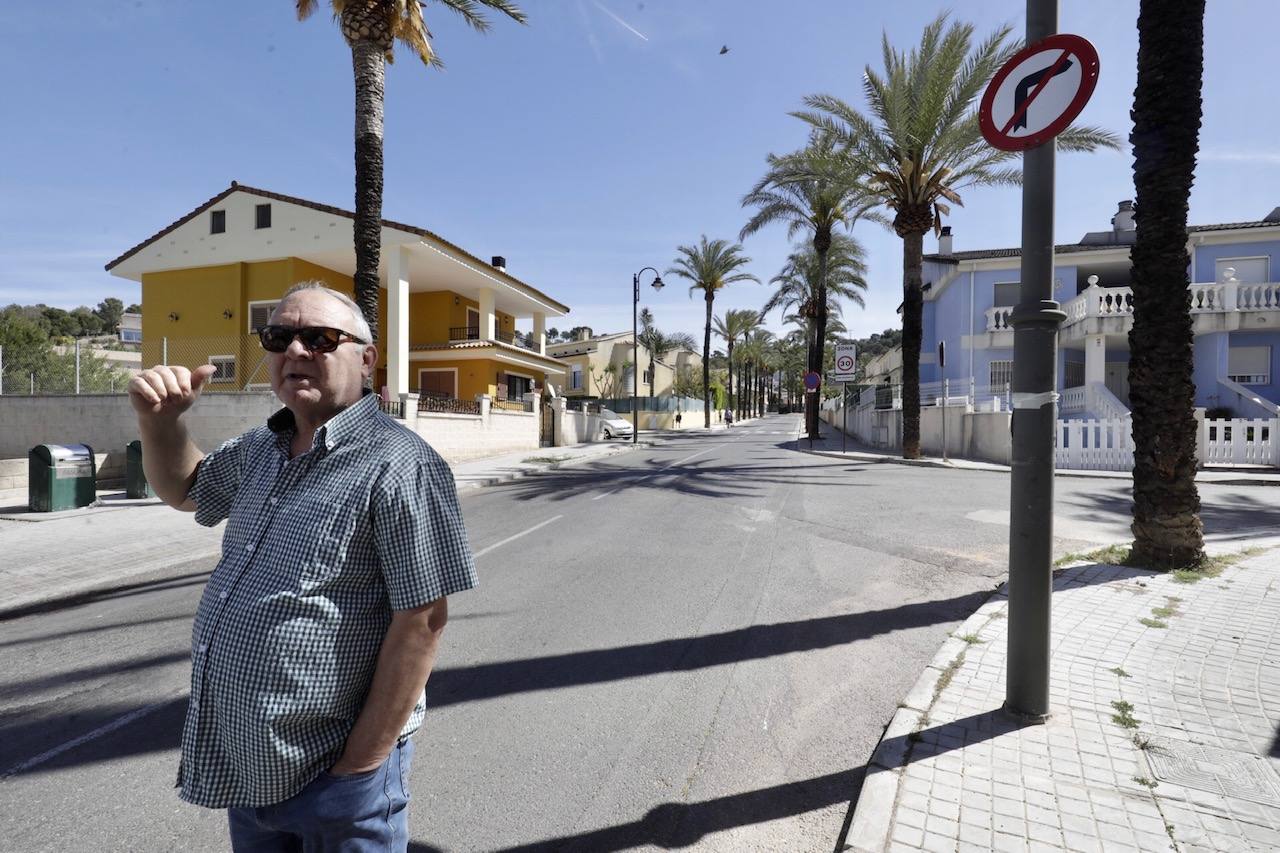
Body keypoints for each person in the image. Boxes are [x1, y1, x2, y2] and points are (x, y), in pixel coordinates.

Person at [129, 281, 476, 852]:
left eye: (319, 337)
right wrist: (161, 422)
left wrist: (360, 765)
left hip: (337, 775)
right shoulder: (260, 448)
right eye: (279, 336)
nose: (295, 350)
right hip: (250, 768)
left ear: (366, 359)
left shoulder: (401, 464)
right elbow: (186, 489)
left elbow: (422, 624)